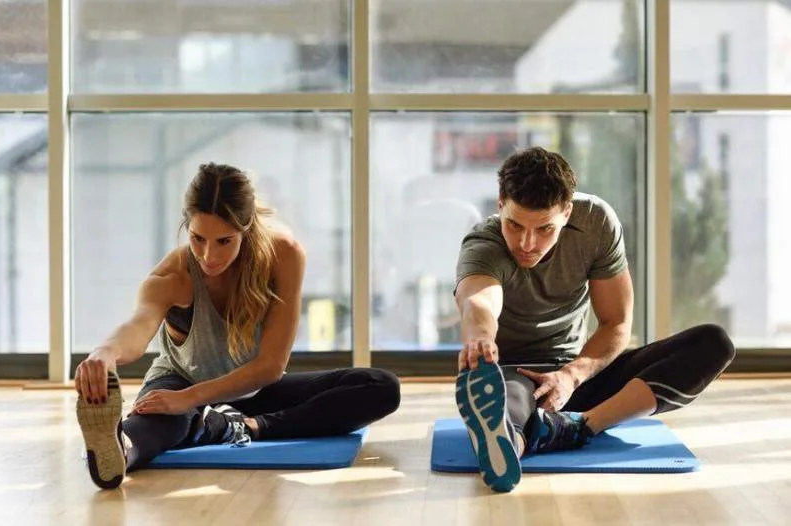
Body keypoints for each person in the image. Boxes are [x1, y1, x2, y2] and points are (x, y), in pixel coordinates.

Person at [75, 162, 401, 490]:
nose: (208, 255)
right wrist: (106, 353)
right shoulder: (173, 275)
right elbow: (139, 326)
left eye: (224, 241)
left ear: (246, 229)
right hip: (180, 381)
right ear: (187, 226)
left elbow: (271, 367)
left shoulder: (284, 256)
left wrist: (193, 398)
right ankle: (122, 451)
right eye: (198, 238)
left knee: (380, 386)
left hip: (252, 387)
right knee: (165, 420)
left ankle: (243, 426)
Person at [453, 146, 735, 492]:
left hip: (582, 374)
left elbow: (616, 321)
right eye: (515, 225)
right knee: (505, 408)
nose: (527, 243)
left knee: (712, 344)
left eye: (544, 229)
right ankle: (509, 444)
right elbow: (480, 302)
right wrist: (480, 338)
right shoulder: (484, 243)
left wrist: (571, 376)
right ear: (501, 205)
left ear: (567, 212)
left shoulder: (596, 222)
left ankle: (578, 426)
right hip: (517, 376)